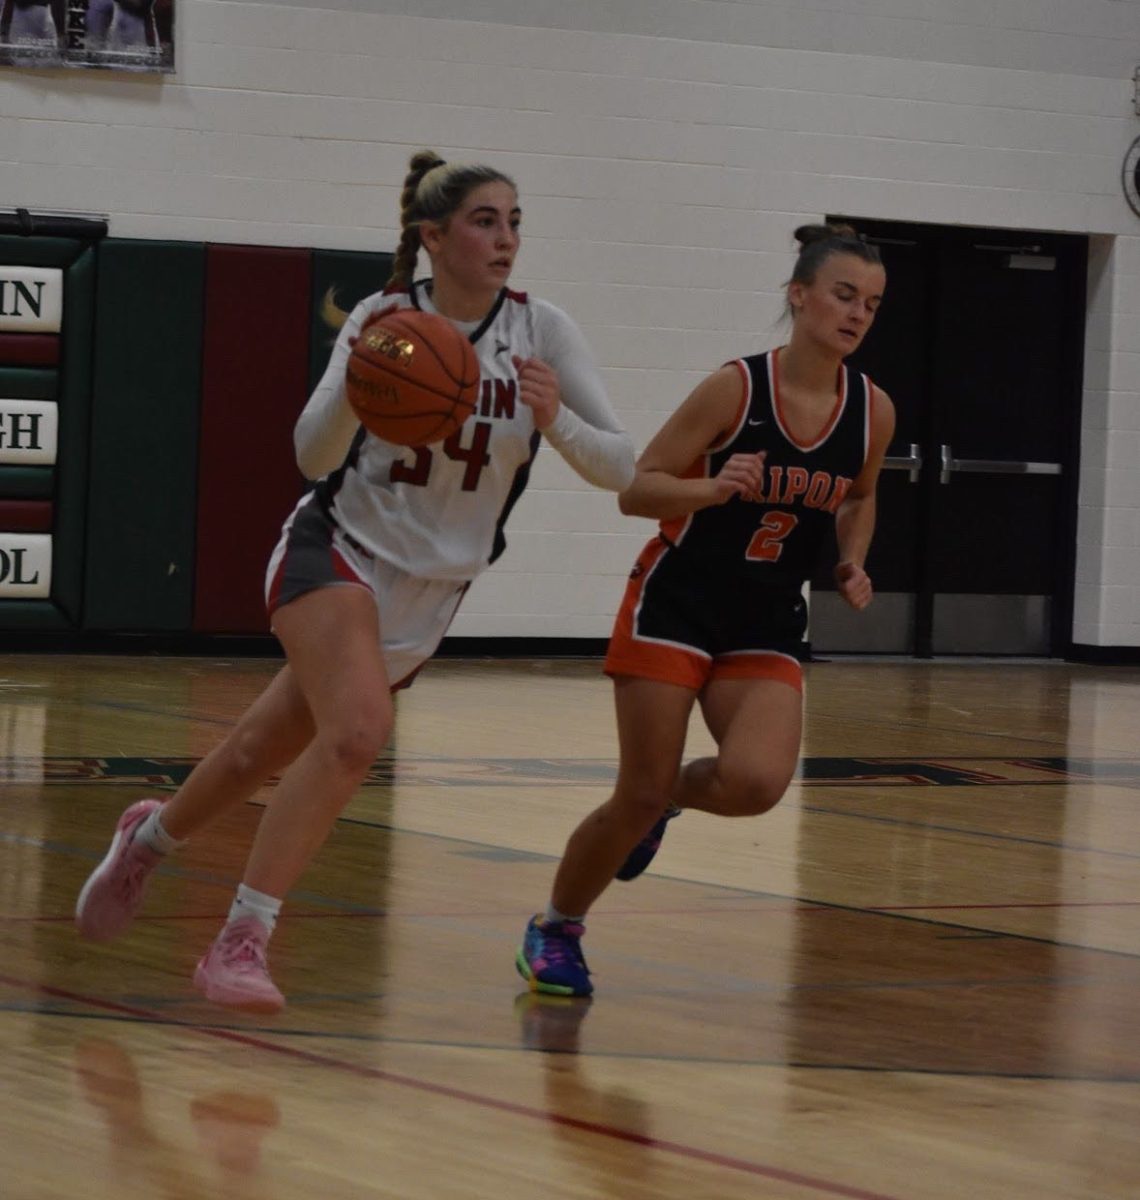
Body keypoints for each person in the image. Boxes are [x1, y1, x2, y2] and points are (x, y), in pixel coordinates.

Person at [75, 149, 636, 1013]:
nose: (506, 239)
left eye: (515, 221)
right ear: (434, 236)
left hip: (433, 592)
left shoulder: (542, 332)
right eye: (486, 221)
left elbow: (622, 469)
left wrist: (556, 417)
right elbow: (311, 454)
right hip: (338, 548)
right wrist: (368, 383)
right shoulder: (383, 317)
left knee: (264, 750)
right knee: (355, 734)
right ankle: (241, 939)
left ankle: (147, 840)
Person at [515, 223, 894, 997]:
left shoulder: (873, 410)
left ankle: (665, 804)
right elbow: (638, 489)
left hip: (766, 618)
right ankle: (554, 928)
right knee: (637, 789)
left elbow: (860, 496)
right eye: (844, 295)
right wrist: (711, 488)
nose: (857, 314)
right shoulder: (735, 389)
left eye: (872, 304)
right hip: (678, 602)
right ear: (800, 296)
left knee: (757, 783)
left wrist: (853, 557)